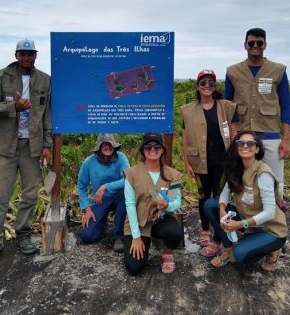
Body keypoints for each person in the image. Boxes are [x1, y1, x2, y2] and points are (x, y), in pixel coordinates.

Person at [0, 39, 51, 263]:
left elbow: (46, 116)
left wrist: (46, 145)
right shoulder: (3, 76)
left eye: (30, 54)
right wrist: (15, 106)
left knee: (31, 194)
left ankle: (23, 234)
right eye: (22, 54)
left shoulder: (44, 80)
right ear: (16, 55)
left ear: (35, 56)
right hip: (5, 147)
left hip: (31, 147)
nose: (26, 58)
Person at [225, 28, 290, 202]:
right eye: (251, 43)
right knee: (242, 179)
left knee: (274, 179)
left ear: (265, 45)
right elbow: (227, 107)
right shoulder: (233, 72)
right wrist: (232, 136)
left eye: (259, 43)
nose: (255, 46)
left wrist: (286, 140)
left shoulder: (278, 70)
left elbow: (286, 106)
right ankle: (244, 219)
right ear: (245, 45)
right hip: (242, 136)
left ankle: (276, 218)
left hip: (270, 135)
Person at [203, 131, 287, 271]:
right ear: (237, 147)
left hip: (270, 229)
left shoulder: (263, 173)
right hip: (249, 222)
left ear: (257, 148)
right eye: (241, 143)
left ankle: (273, 250)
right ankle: (228, 249)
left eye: (250, 143)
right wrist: (222, 210)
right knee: (211, 205)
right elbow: (224, 193)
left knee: (241, 255)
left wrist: (239, 224)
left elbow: (270, 212)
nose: (245, 146)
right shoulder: (237, 168)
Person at [180, 69, 237, 256]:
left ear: (215, 87)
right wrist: (186, 162)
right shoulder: (188, 110)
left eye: (210, 83)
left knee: (220, 198)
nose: (207, 86)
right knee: (203, 196)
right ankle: (205, 230)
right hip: (199, 161)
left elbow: (234, 132)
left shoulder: (226, 107)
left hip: (222, 161)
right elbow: (185, 137)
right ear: (198, 86)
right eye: (203, 83)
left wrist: (235, 158)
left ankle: (219, 236)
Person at [123, 132, 184, 275]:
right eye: (148, 146)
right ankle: (141, 241)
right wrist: (136, 237)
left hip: (160, 220)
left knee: (175, 232)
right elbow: (130, 205)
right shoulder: (131, 174)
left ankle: (167, 253)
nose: (152, 150)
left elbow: (177, 201)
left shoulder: (172, 175)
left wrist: (167, 206)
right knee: (134, 267)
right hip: (138, 222)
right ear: (143, 150)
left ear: (162, 150)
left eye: (157, 146)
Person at [77, 134, 130, 253]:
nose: (108, 147)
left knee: (124, 193)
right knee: (88, 236)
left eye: (110, 144)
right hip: (99, 200)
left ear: (114, 146)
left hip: (118, 198)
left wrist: (106, 186)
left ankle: (119, 236)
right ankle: (101, 223)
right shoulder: (89, 162)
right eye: (104, 145)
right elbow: (81, 186)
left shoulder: (121, 158)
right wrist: (87, 209)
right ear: (99, 148)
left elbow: (128, 179)